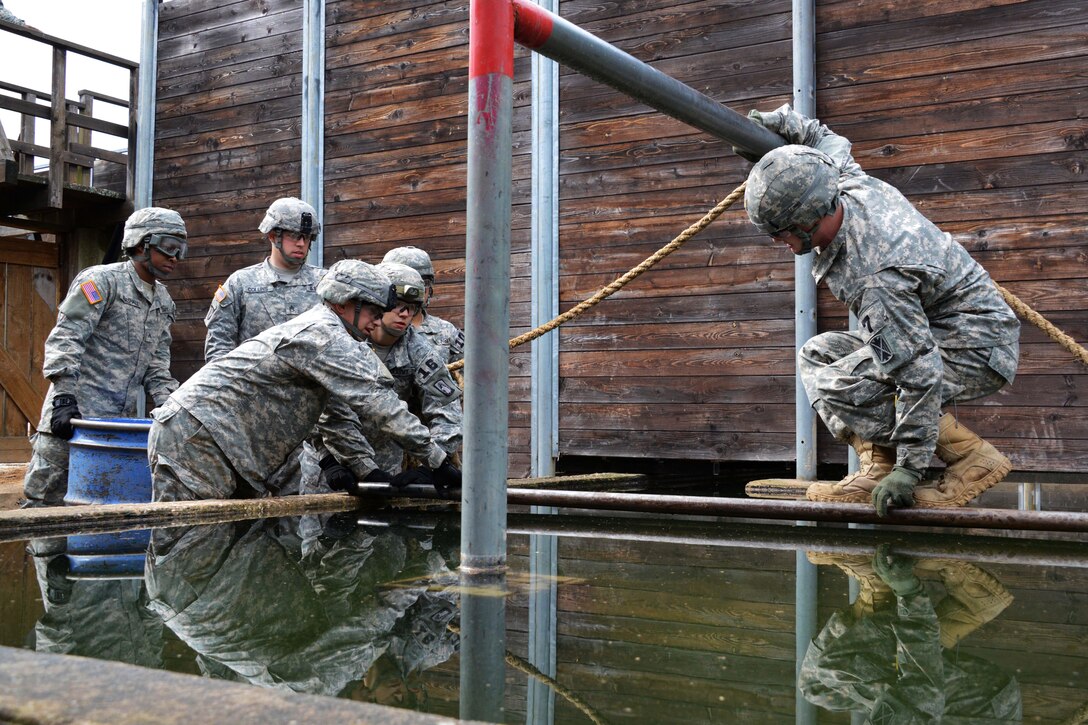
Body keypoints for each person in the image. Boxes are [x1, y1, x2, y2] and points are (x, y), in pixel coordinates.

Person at [742, 105, 1020, 515]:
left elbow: (918, 372)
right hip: (942, 326)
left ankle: (970, 459)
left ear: (805, 221)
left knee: (844, 381)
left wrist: (910, 470)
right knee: (820, 356)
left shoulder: (874, 275)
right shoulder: (843, 184)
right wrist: (777, 124)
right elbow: (821, 139)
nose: (778, 242)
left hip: (978, 344)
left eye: (779, 232)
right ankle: (877, 466)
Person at [148, 259, 461, 501]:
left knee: (223, 553)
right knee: (186, 547)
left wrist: (369, 471)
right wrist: (437, 460)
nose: (379, 321)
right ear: (343, 302)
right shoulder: (325, 336)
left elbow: (335, 414)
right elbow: (378, 402)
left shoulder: (335, 335)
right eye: (373, 311)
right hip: (197, 438)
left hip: (221, 444)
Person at [21, 207, 185, 507]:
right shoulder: (101, 282)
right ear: (141, 244)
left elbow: (157, 368)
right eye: (169, 247)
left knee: (100, 509)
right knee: (44, 507)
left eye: (181, 249)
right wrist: (63, 398)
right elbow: (67, 338)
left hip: (112, 432)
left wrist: (171, 408)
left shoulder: (163, 301)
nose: (176, 257)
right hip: (71, 421)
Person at [304, 262, 462, 496]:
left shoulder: (420, 351)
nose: (405, 314)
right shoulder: (342, 338)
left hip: (386, 470)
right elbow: (311, 404)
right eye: (398, 305)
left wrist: (433, 465)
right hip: (329, 469)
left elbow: (447, 409)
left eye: (412, 307)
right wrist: (328, 460)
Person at [203, 197, 325, 363]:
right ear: (273, 236)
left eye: (307, 236)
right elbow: (218, 347)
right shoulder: (241, 283)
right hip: (255, 387)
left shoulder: (325, 284)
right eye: (295, 235)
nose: (302, 243)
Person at [381, 246, 464, 365]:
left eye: (423, 282)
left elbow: (465, 376)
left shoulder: (447, 332)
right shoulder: (371, 327)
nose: (417, 288)